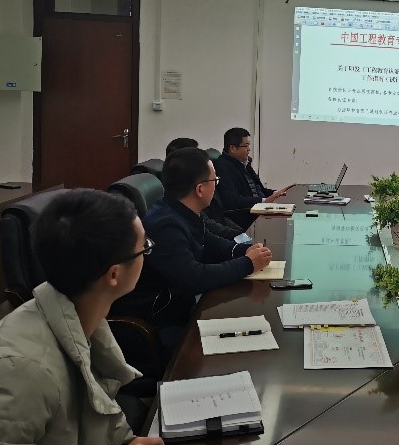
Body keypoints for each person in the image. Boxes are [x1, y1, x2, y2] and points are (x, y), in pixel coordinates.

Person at [0, 189, 171, 445]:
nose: (147, 253)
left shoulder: (80, 314)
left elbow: (97, 411)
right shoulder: (18, 370)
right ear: (114, 275)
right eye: (145, 247)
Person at [112, 147, 272, 333]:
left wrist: (244, 250)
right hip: (163, 319)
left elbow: (209, 241)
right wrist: (247, 263)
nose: (216, 185)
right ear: (200, 189)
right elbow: (195, 278)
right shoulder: (166, 226)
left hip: (181, 303)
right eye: (215, 180)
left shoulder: (178, 208)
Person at [214, 127, 293, 229]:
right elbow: (232, 200)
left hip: (259, 210)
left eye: (249, 145)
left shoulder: (244, 163)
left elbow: (257, 188)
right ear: (232, 148)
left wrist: (276, 193)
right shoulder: (222, 167)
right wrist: (264, 201)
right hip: (247, 216)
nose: (249, 149)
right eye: (246, 145)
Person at [165, 137, 244, 239]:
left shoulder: (198, 184)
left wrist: (242, 235)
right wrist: (241, 236)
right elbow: (209, 227)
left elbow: (216, 223)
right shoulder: (186, 196)